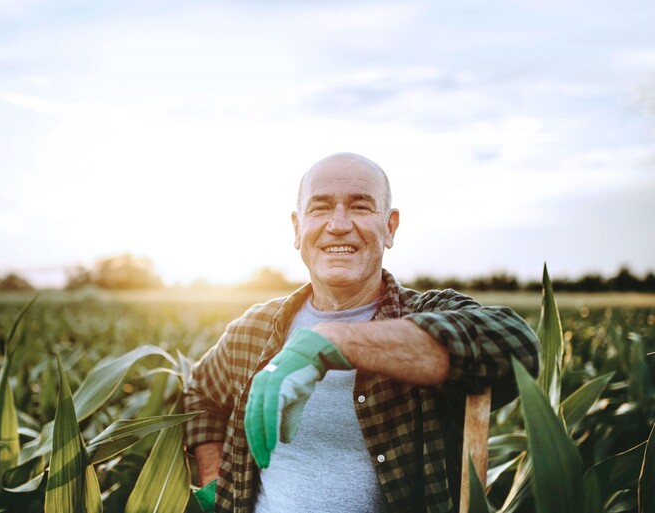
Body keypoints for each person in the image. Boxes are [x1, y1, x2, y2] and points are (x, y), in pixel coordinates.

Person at [183, 152, 540, 513]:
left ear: (390, 227)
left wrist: (334, 342)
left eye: (360, 207)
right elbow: (201, 394)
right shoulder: (254, 329)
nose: (338, 224)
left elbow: (517, 347)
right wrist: (216, 483)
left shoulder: (427, 314)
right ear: (297, 228)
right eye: (320, 208)